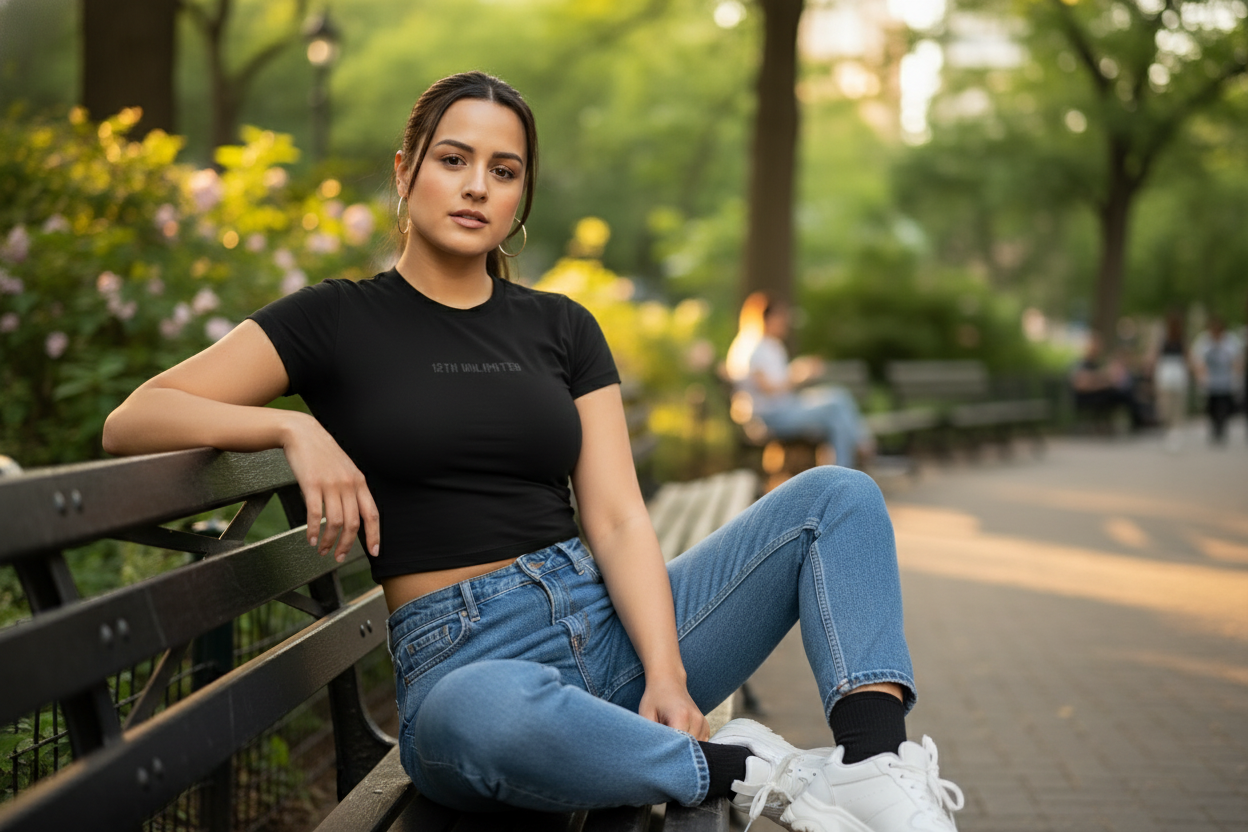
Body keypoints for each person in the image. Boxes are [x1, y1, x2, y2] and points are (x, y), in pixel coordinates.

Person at [103, 71, 962, 832]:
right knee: (481, 719)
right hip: (466, 658)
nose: (477, 186)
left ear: (520, 197)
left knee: (837, 498)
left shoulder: (561, 327)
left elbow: (619, 515)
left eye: (503, 171)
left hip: (608, 622)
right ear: (404, 173)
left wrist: (665, 671)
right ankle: (758, 774)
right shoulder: (335, 319)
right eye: (453, 160)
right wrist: (293, 426)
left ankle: (871, 768)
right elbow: (137, 417)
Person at [725, 292, 875, 469]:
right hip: (772, 417)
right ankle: (863, 447)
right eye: (780, 316)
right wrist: (798, 377)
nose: (785, 322)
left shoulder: (763, 345)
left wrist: (798, 369)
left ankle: (841, 473)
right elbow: (767, 388)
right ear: (767, 318)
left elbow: (774, 380)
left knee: (836, 417)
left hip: (781, 410)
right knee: (837, 400)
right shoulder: (755, 347)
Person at [1068, 332, 1145, 433]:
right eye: (1095, 347)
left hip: (1101, 394)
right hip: (1087, 397)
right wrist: (1099, 381)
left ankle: (1138, 421)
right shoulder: (1080, 364)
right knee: (1123, 394)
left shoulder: (1097, 364)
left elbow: (1106, 379)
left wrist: (1101, 380)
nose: (1097, 350)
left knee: (1126, 392)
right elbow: (1081, 384)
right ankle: (1138, 422)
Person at [1190, 315, 1243, 445]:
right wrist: (1200, 377)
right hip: (1210, 382)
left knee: (1224, 407)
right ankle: (1214, 429)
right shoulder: (1204, 341)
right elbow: (1198, 360)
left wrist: (1237, 376)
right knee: (1212, 408)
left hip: (1225, 381)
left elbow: (1237, 360)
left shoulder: (1231, 341)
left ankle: (1221, 429)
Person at [1148, 310, 1192, 452]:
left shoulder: (1181, 338)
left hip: (1177, 374)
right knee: (1166, 405)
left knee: (1177, 406)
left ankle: (1175, 433)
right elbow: (1155, 355)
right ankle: (1169, 430)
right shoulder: (1163, 338)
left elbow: (1187, 356)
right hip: (1166, 374)